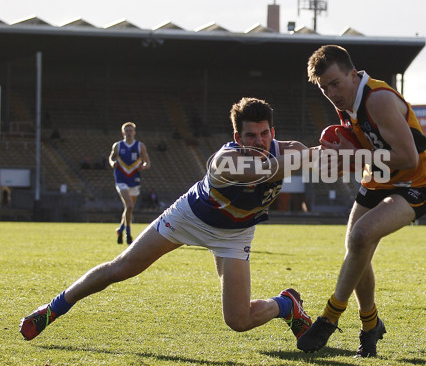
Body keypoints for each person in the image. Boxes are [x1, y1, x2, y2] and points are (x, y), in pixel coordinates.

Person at [19, 97, 312, 344]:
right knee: (121, 267)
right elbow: (265, 171)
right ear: (237, 138)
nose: (259, 142)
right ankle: (52, 309)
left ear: (273, 132)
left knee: (239, 320)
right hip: (190, 217)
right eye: (250, 136)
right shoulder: (226, 159)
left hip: (235, 233)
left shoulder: (292, 150)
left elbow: (327, 164)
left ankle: (286, 305)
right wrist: (316, 157)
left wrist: (348, 152)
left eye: (264, 134)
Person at [296, 45, 426, 357]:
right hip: (378, 179)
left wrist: (353, 158)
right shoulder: (347, 101)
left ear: (352, 74)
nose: (331, 93)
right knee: (355, 249)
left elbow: (409, 158)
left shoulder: (380, 99)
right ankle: (370, 325)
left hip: (415, 183)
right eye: (324, 88)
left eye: (335, 83)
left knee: (361, 236)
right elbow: (361, 149)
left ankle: (330, 317)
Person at [109, 122, 151, 244]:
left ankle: (120, 229)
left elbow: (148, 163)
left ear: (134, 132)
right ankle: (128, 233)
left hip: (134, 179)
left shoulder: (140, 146)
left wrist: (143, 166)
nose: (129, 133)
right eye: (126, 131)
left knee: (128, 208)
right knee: (130, 205)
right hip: (121, 179)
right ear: (123, 133)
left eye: (130, 130)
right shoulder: (118, 145)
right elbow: (111, 158)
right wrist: (113, 163)